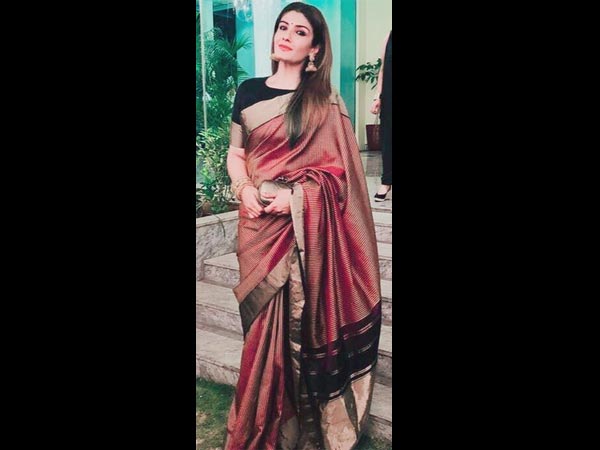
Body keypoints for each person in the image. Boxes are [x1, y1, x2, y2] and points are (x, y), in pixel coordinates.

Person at [224, 3, 382, 449]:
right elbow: (236, 155)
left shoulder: (325, 100)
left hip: (303, 230)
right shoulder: (249, 91)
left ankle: (305, 425)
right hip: (258, 227)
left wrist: (297, 198)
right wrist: (243, 189)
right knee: (262, 331)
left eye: (299, 31)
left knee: (304, 324)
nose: (286, 35)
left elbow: (343, 178)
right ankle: (264, 420)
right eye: (282, 27)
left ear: (315, 48)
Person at [370, 30, 392, 201]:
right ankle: (386, 182)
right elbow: (383, 70)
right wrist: (377, 97)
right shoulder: (389, 36)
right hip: (389, 96)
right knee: (388, 140)